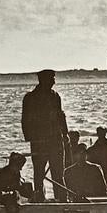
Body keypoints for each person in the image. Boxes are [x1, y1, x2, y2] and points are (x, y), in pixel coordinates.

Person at [21, 69, 69, 201]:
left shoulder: (55, 96)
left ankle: (62, 199)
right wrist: (32, 138)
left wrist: (65, 134)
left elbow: (60, 116)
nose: (54, 81)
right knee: (39, 174)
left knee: (58, 173)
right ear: (44, 80)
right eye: (52, 78)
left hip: (56, 141)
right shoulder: (30, 98)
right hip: (39, 142)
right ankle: (39, 199)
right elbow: (25, 120)